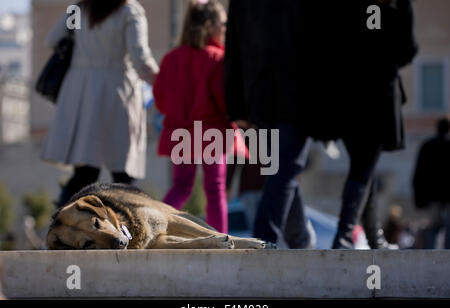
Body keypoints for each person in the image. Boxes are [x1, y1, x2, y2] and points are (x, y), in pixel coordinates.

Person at [225, 0, 418, 249]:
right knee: (300, 168)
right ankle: (285, 238)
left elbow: (234, 50)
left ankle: (326, 238)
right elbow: (405, 50)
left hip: (295, 97)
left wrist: (237, 106)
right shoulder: (393, 7)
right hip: (322, 97)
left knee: (288, 168)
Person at [41, 0, 159, 207]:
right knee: (123, 171)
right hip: (117, 92)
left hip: (79, 92)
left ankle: (62, 219)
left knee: (85, 170)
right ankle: (131, 223)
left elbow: (52, 40)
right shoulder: (129, 11)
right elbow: (140, 57)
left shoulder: (80, 9)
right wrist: (164, 83)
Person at [153, 0, 247, 234]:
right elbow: (225, 101)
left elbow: (161, 102)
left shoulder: (171, 58)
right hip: (212, 132)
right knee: (215, 190)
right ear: (209, 25)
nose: (226, 28)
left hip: (181, 132)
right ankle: (220, 242)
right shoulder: (217, 58)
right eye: (223, 24)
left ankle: (151, 226)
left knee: (180, 188)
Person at [413, 118, 450, 249]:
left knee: (433, 228)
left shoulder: (427, 146)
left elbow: (418, 174)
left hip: (432, 197)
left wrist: (418, 200)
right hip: (446, 196)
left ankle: (433, 258)